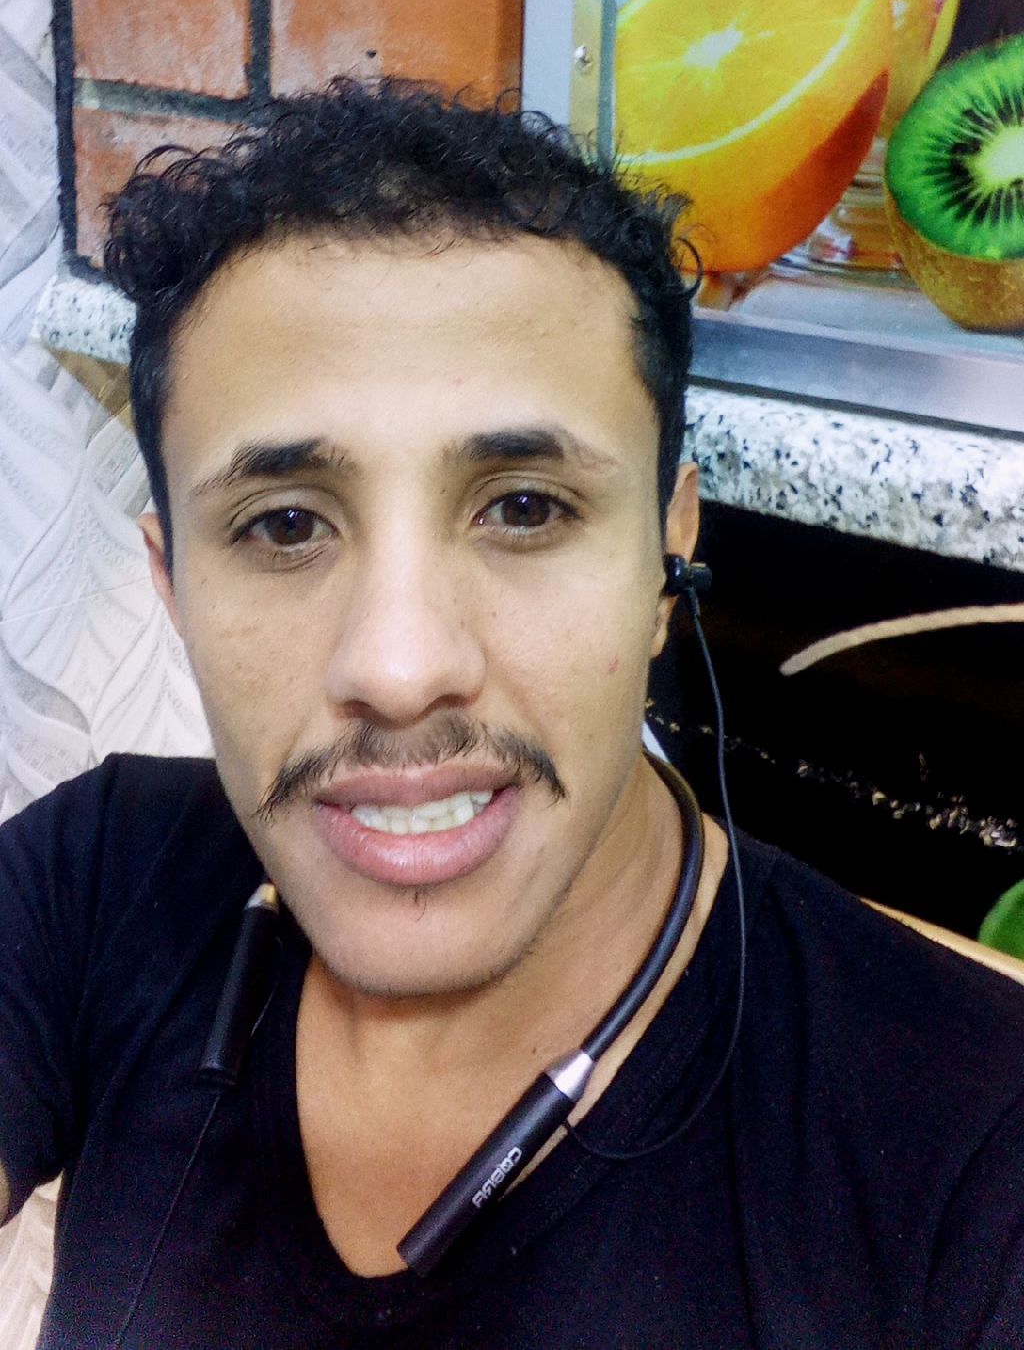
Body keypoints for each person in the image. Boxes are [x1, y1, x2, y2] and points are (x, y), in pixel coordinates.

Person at [1, 78, 1023, 1349]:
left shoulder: (973, 1159)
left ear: (667, 555)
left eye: (525, 507)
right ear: (172, 584)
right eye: (282, 524)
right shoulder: (94, 879)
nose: (398, 667)